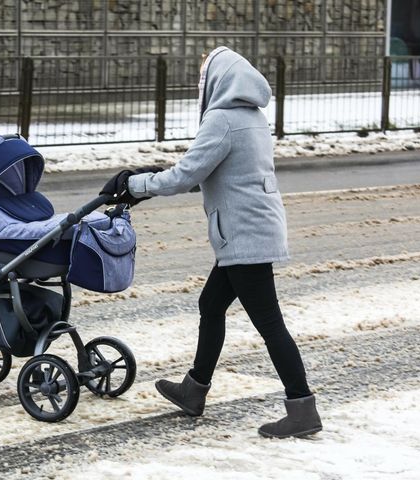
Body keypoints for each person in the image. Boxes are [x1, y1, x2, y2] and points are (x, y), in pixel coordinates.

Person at [100, 47, 322, 439]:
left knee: (269, 323)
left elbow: (187, 175)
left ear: (219, 80)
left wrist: (135, 184)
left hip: (242, 234)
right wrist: (152, 178)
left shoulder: (221, 120)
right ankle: (194, 390)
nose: (199, 84)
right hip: (253, 227)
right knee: (211, 304)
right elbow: (213, 173)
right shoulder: (253, 117)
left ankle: (301, 407)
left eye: (203, 76)